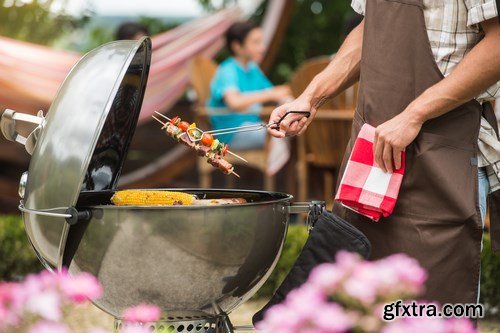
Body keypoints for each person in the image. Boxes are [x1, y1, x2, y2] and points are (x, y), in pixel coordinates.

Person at [263, 0, 500, 308]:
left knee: (431, 310)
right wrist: (311, 97)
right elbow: (368, 30)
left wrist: (413, 114)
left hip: (444, 152)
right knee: (358, 304)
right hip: (372, 155)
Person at [207, 21, 292, 150]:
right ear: (237, 46)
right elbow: (234, 102)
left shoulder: (252, 69)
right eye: (256, 42)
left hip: (254, 126)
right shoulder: (228, 70)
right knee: (280, 135)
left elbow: (274, 93)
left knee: (292, 130)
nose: (262, 48)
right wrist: (270, 94)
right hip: (232, 133)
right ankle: (278, 170)